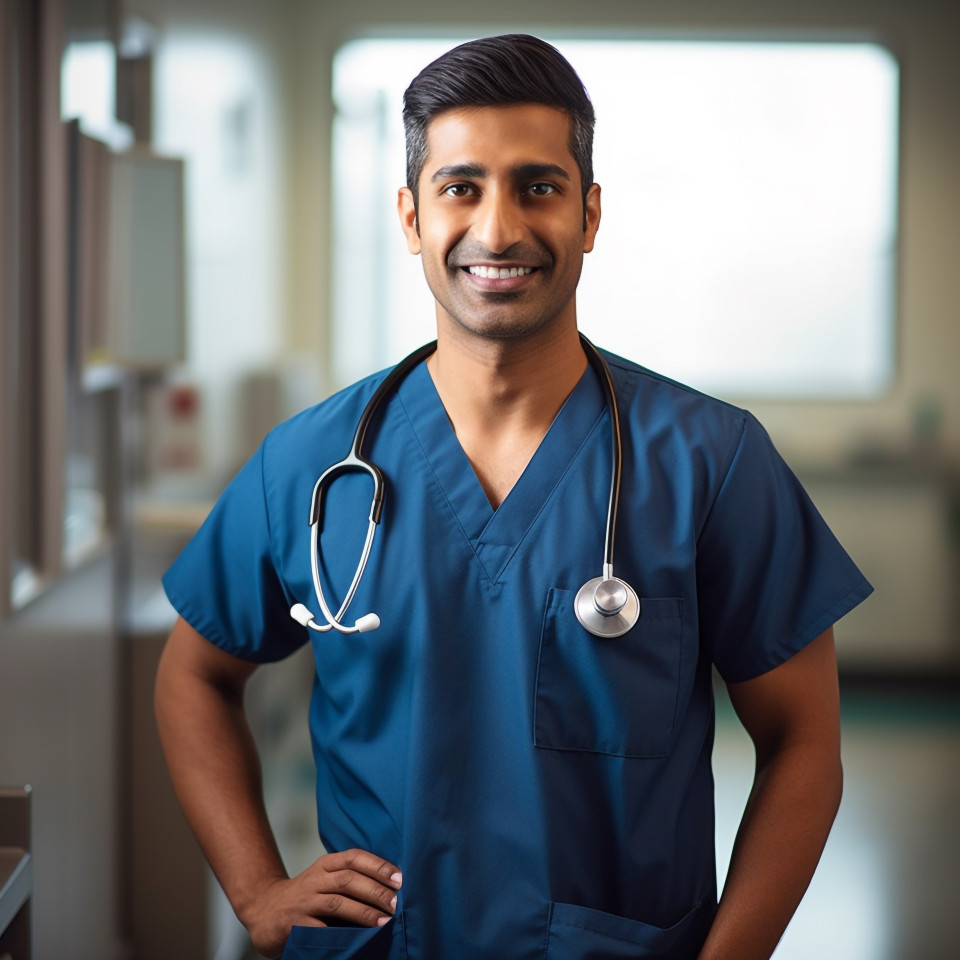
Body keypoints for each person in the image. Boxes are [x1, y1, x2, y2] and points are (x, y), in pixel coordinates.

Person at [155, 34, 873, 960]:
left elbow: (804, 741)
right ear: (411, 217)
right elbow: (194, 677)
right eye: (461, 188)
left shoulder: (711, 462)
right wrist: (257, 891)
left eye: (538, 187)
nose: (498, 230)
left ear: (589, 213)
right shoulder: (309, 463)